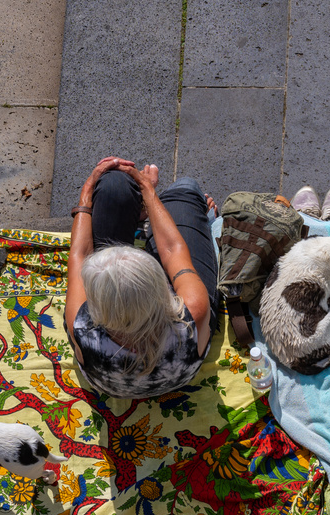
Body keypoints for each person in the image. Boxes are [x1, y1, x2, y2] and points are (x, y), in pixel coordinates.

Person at [64, 158, 218, 400]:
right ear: (164, 288)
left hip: (108, 380)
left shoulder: (82, 326)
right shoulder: (190, 315)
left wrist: (87, 193)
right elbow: (173, 250)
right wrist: (148, 190)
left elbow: (79, 255)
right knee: (186, 190)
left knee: (112, 184)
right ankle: (199, 220)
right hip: (182, 354)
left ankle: (138, 217)